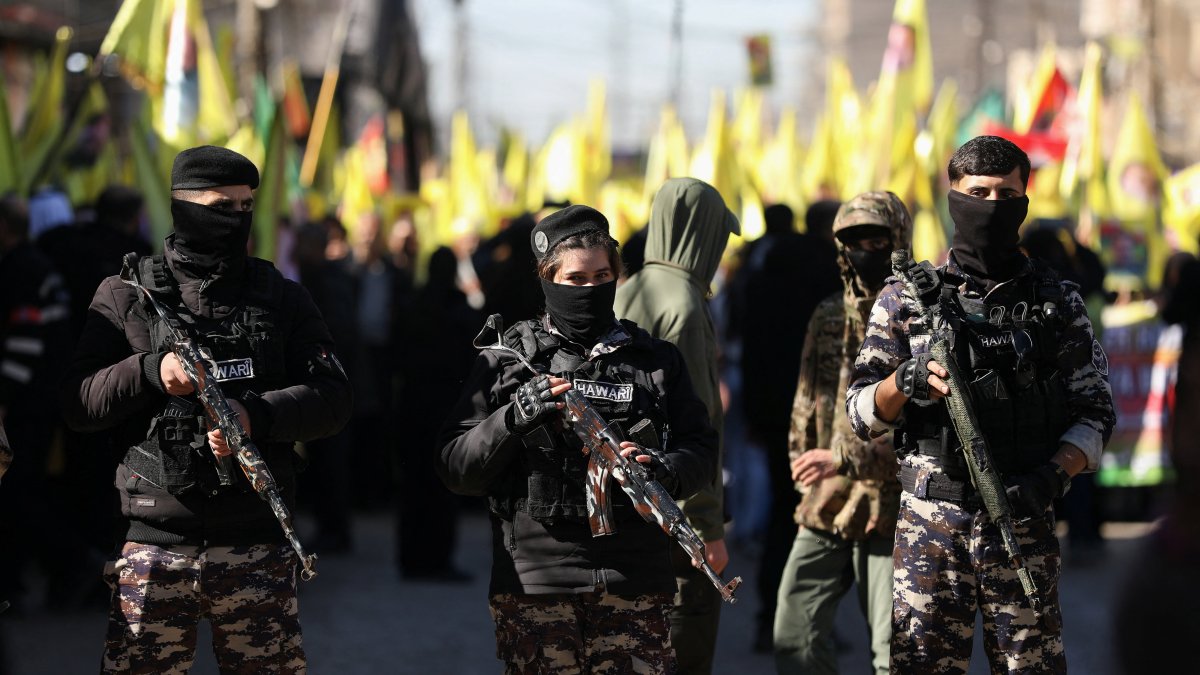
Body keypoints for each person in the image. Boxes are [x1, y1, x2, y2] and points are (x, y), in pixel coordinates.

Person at [60, 145, 353, 673]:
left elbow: (334, 398)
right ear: (185, 208)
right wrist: (152, 371)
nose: (238, 219)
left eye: (247, 207)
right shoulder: (126, 295)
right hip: (154, 547)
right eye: (224, 207)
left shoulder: (281, 297)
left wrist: (255, 416)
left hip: (256, 546)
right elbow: (79, 403)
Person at [846, 136, 1115, 673]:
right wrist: (905, 380)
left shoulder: (1057, 300)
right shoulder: (904, 297)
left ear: (1025, 198)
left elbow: (1096, 413)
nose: (991, 206)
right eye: (978, 192)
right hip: (931, 523)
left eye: (1005, 194)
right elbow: (860, 415)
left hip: (1024, 520)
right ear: (953, 196)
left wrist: (1051, 478)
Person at [436, 205, 718, 673]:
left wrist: (665, 469)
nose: (590, 290)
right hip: (538, 585)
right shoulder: (507, 362)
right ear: (548, 279)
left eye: (602, 276)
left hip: (635, 582)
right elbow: (454, 466)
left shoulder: (654, 360)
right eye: (576, 279)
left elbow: (701, 449)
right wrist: (513, 418)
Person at [774, 192, 912, 675]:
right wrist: (804, 467)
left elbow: (922, 421)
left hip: (893, 502)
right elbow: (806, 401)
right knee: (795, 636)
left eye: (878, 240)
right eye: (854, 242)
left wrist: (845, 457)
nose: (865, 251)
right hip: (827, 497)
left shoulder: (919, 316)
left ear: (899, 241)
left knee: (893, 652)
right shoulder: (829, 314)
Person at [613, 177, 739, 674]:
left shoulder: (629, 288)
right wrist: (705, 528)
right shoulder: (684, 305)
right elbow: (696, 428)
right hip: (677, 519)